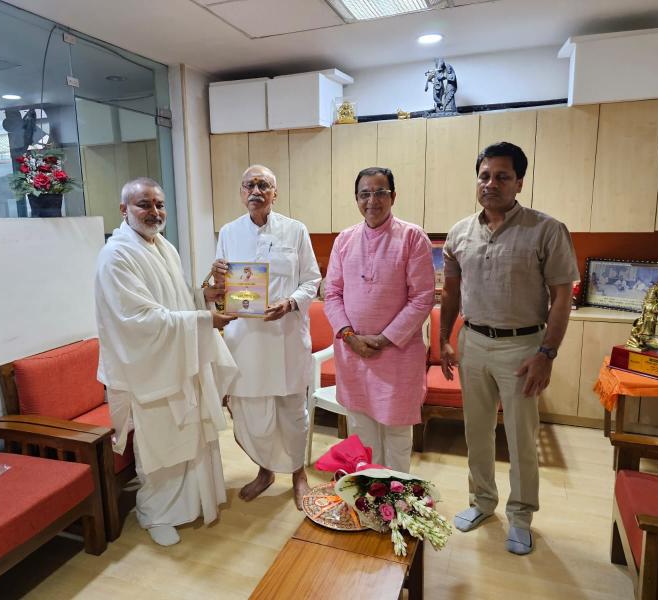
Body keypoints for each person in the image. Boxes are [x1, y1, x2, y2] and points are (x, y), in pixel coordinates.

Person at [440, 142, 579, 555]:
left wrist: (547, 354)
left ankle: (521, 516)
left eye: (502, 176)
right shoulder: (459, 232)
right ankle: (482, 502)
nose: (491, 184)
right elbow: (450, 293)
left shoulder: (546, 230)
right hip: (473, 343)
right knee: (477, 432)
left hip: (523, 347)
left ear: (519, 181)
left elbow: (561, 298)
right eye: (484, 175)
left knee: (520, 437)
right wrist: (446, 339)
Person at [94, 177, 238, 547]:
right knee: (162, 442)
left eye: (159, 204)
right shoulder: (116, 256)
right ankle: (155, 512)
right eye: (144, 205)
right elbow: (138, 321)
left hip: (176, 359)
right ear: (124, 210)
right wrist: (205, 320)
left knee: (190, 434)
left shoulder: (164, 246)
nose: (154, 212)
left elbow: (176, 297)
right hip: (149, 368)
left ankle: (193, 504)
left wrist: (204, 295)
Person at [211, 165, 321, 508]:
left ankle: (298, 473)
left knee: (292, 411)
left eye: (263, 185)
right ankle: (265, 470)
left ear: (275, 193)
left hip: (285, 337)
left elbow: (312, 280)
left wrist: (290, 303)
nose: (256, 190)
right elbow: (218, 291)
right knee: (253, 413)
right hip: (247, 341)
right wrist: (214, 281)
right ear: (241, 193)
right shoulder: (228, 232)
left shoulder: (296, 230)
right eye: (249, 185)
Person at [323, 167, 435, 473]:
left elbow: (423, 297)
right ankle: (369, 497)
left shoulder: (412, 237)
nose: (372, 200)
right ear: (357, 199)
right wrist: (349, 336)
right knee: (362, 435)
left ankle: (395, 500)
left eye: (380, 192)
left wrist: (383, 339)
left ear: (393, 196)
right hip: (353, 355)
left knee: (397, 435)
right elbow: (331, 293)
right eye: (365, 194)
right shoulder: (344, 240)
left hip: (397, 355)